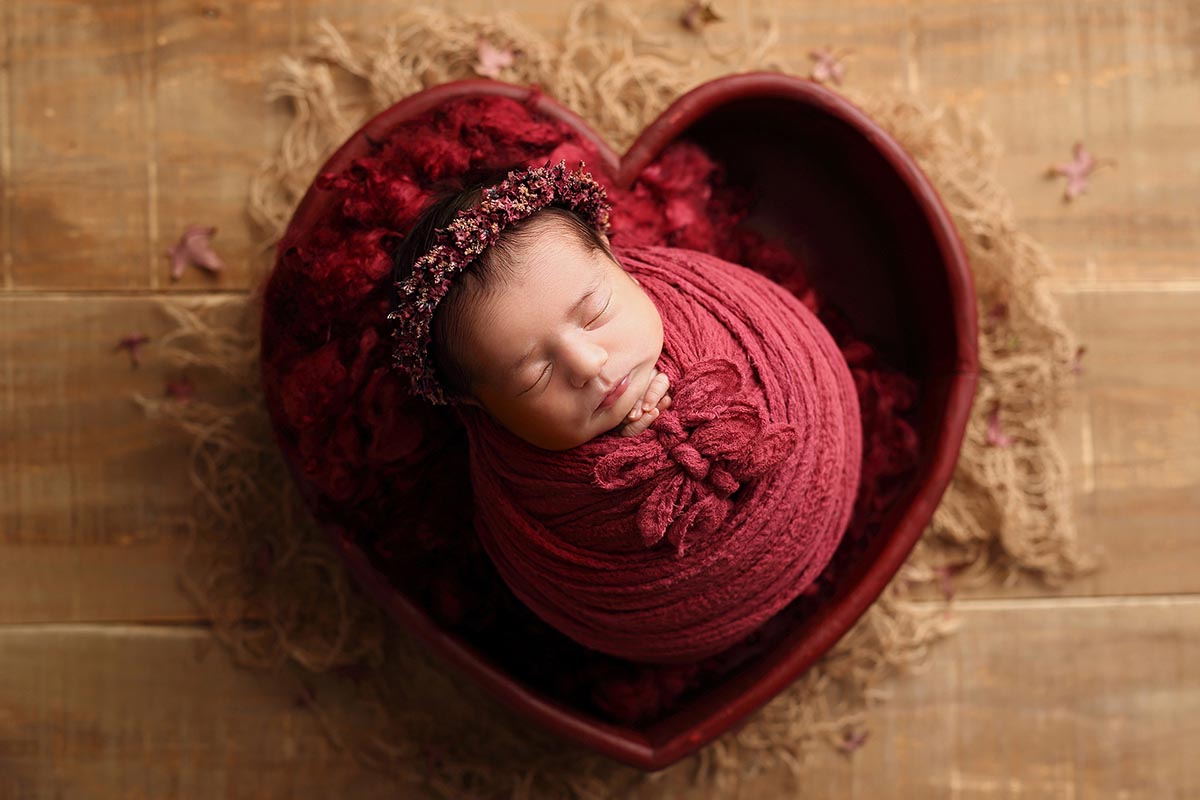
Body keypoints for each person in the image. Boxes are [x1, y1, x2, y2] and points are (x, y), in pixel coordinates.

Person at [390, 163, 673, 450]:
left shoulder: (677, 278)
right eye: (537, 376)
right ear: (482, 405)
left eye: (596, 314)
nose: (588, 365)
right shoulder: (518, 480)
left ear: (615, 261)